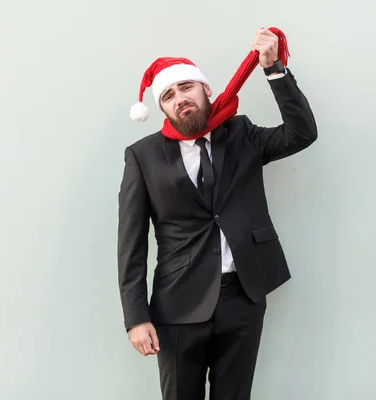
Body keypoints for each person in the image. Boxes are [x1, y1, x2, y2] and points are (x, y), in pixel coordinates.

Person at [117, 27, 317, 400]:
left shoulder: (241, 133)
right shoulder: (142, 156)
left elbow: (301, 133)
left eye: (187, 88)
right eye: (169, 95)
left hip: (243, 297)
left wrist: (273, 69)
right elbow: (130, 244)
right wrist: (136, 317)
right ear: (161, 108)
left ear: (206, 90)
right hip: (177, 305)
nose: (180, 99)